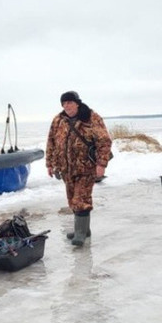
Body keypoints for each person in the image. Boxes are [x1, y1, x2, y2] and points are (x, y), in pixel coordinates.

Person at [46, 91, 113, 246]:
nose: (67, 105)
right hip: (66, 168)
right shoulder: (58, 120)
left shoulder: (91, 117)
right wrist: (50, 163)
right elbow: (51, 142)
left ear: (77, 103)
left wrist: (101, 164)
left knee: (80, 200)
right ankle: (84, 229)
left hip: (86, 167)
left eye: (70, 102)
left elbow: (104, 141)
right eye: (64, 103)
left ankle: (80, 234)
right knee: (72, 200)